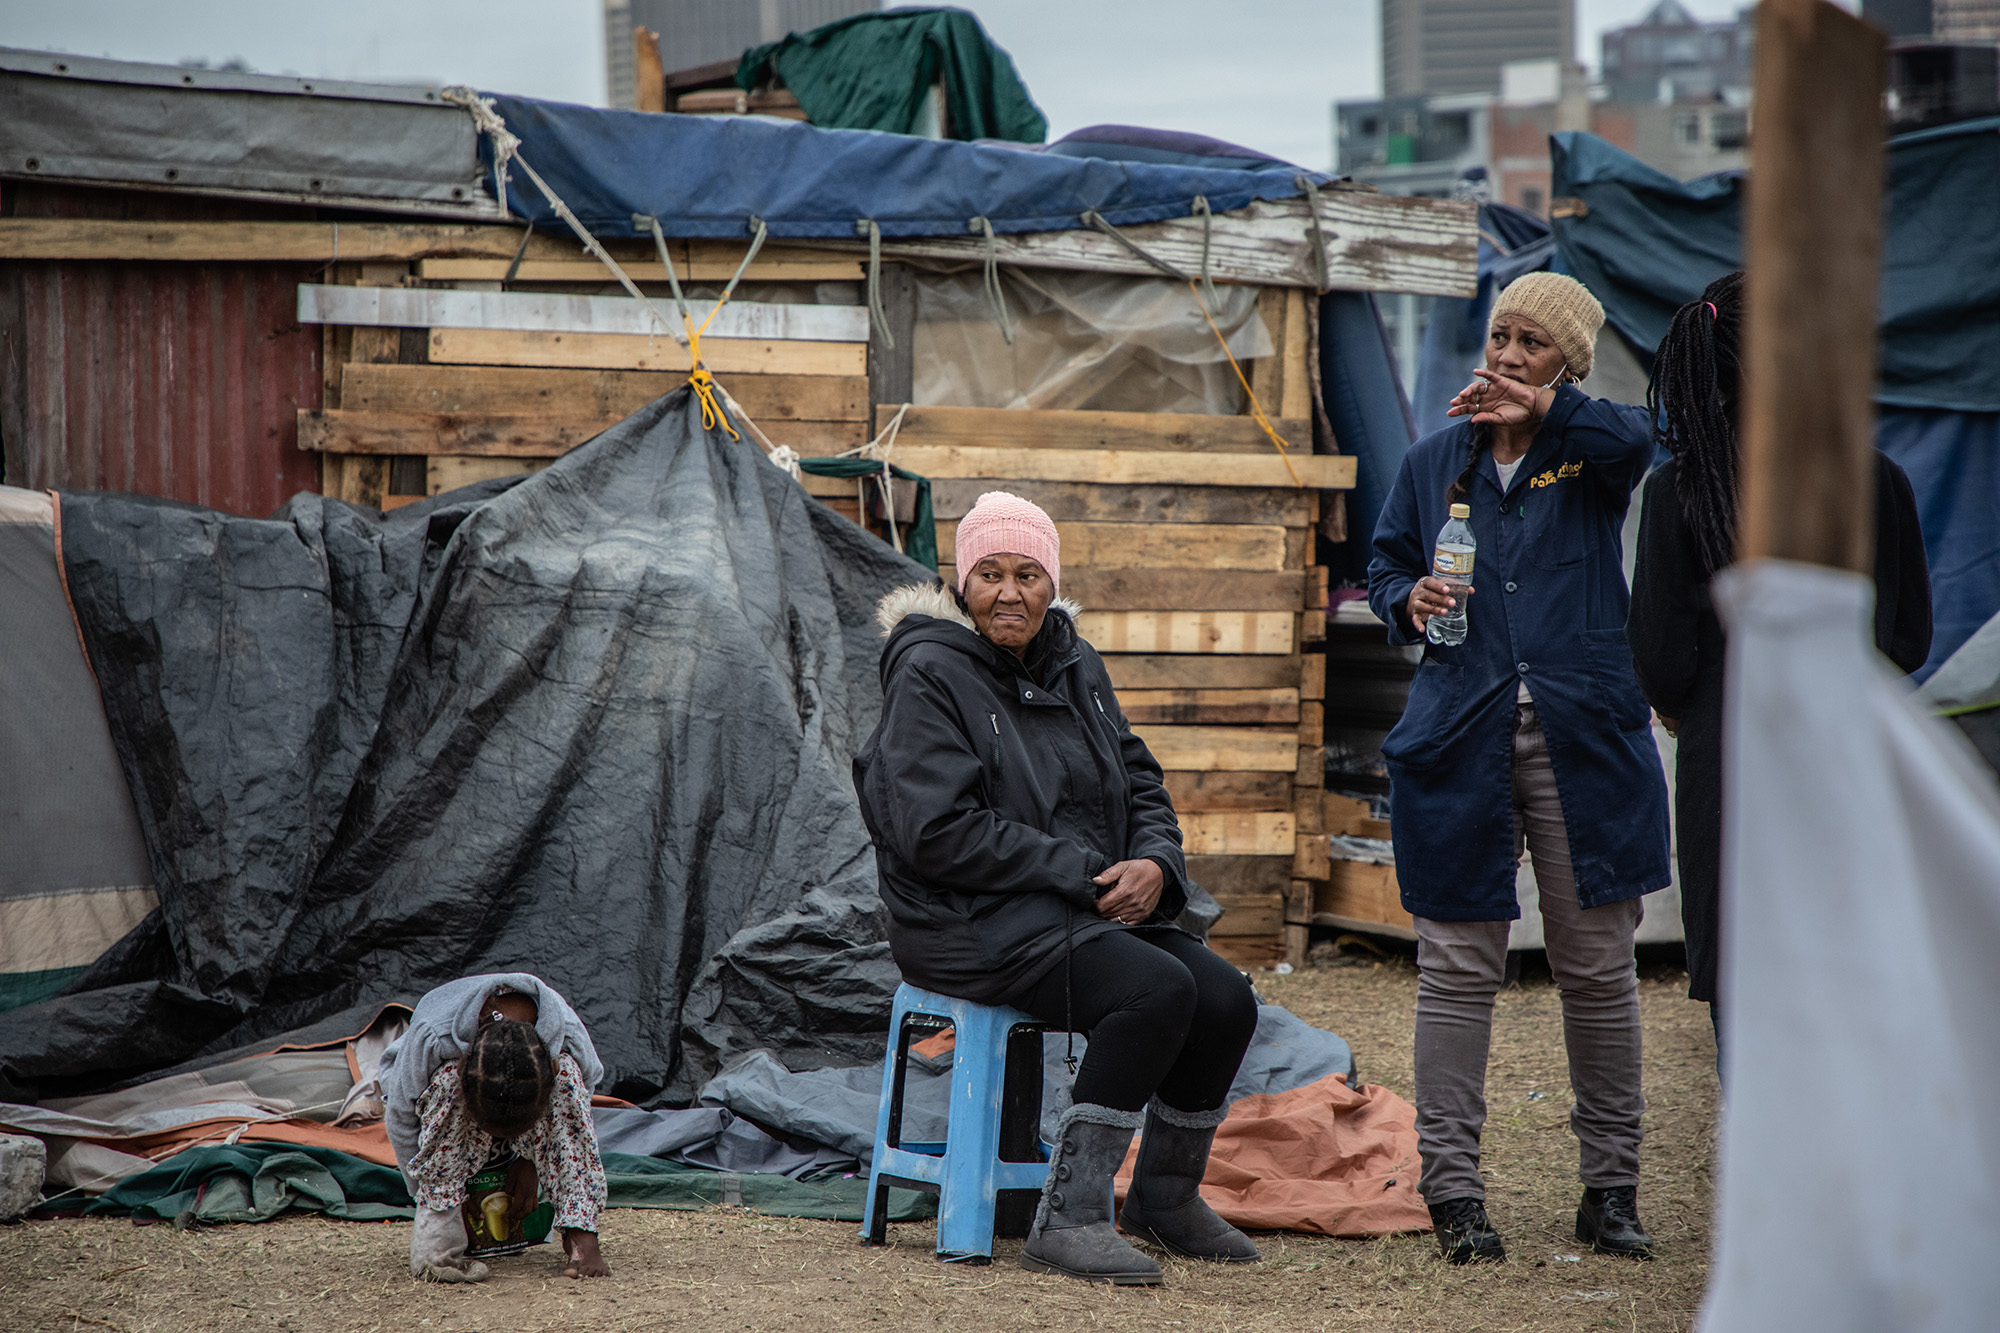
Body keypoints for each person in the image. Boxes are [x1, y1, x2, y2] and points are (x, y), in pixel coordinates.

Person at [852, 491, 1261, 1287]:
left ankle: (1164, 1199)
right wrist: (1083, 874)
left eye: (1029, 573)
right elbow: (936, 832)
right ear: (962, 582)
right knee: (1154, 990)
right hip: (969, 918)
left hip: (1077, 906)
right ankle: (1069, 1217)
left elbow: (1140, 779)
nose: (1011, 592)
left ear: (1052, 582)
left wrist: (1157, 865)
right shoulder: (931, 672)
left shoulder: (1076, 661)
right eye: (991, 573)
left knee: (1226, 999)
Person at [1367, 272, 1672, 1265]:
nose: (1502, 354)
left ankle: (1608, 1191)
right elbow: (1381, 563)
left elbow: (1639, 437)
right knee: (1456, 968)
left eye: (1529, 343)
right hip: (1460, 731)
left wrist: (1546, 410)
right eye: (1497, 334)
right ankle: (1453, 1193)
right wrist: (1400, 596)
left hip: (1582, 734)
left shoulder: (1588, 457)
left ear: (1563, 364)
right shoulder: (1429, 460)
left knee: (1594, 968)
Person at [1627, 270, 1932, 1065]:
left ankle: (1770, 1178)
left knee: (1743, 978)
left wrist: (1685, 707)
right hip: (1847, 758)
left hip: (1728, 768)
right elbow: (1906, 639)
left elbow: (1660, 654)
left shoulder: (1677, 492)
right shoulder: (1875, 478)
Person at [378, 973, 611, 1282]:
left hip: (522, 1121)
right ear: (465, 1069)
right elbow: (400, 1118)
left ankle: (581, 1233)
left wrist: (529, 1163)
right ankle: (441, 1233)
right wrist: (437, 1199)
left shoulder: (564, 1035)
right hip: (447, 1124)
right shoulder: (436, 1037)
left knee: (570, 1080)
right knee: (446, 1083)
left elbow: (582, 1103)